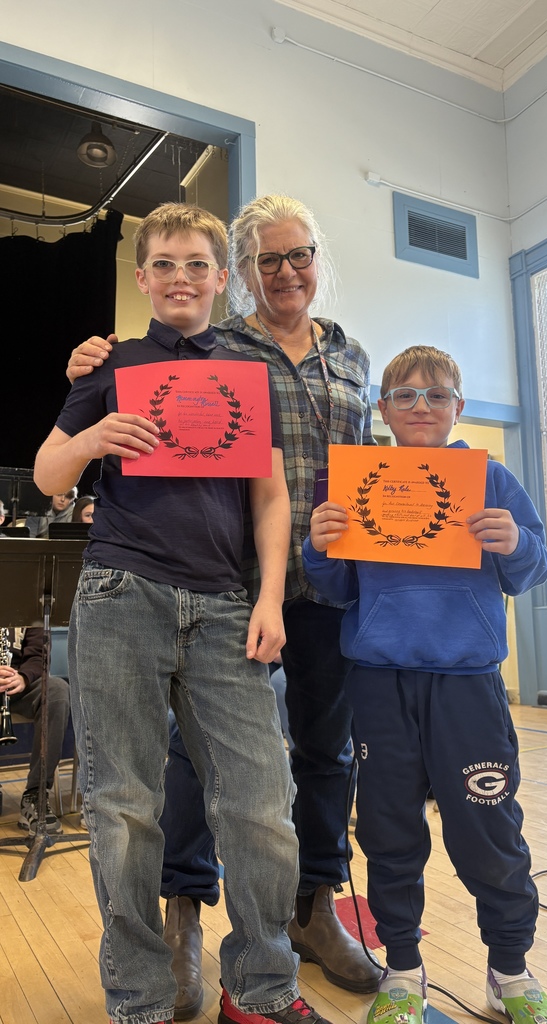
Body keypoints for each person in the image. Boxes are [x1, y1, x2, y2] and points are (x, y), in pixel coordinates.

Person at [66, 193, 382, 1010]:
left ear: (317, 260)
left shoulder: (350, 357)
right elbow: (81, 442)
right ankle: (182, 919)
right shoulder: (206, 346)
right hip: (219, 584)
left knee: (310, 765)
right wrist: (89, 380)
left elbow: (361, 464)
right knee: (175, 776)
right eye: (268, 260)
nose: (287, 271)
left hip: (324, 585)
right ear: (241, 275)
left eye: (299, 255)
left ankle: (309, 916)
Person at [302, 344, 547, 1024]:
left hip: (467, 684)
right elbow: (333, 589)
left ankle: (509, 971)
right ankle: (403, 973)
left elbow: (530, 569)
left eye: (436, 395)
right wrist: (319, 545)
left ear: (458, 406)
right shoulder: (356, 481)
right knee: (390, 830)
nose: (421, 406)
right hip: (380, 682)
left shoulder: (493, 481)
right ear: (383, 409)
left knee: (490, 829)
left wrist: (516, 540)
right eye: (405, 395)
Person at [0, 626, 70, 835]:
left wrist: (23, 678)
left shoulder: (24, 600)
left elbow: (39, 653)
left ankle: (35, 794)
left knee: (56, 691)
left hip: (19, 683)